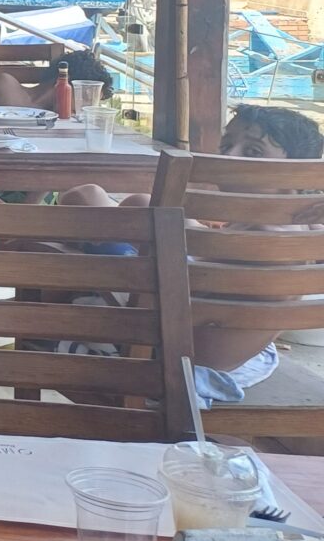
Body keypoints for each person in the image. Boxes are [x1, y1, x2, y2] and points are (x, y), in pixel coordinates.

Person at [56, 103, 324, 398]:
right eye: (226, 145)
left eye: (253, 151)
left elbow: (176, 290)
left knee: (86, 198)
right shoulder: (306, 230)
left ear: (296, 172)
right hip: (230, 352)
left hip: (171, 349)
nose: (229, 157)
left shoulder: (261, 239)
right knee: (137, 204)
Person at [0, 47, 115, 111]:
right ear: (64, 80)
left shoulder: (62, 120)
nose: (87, 108)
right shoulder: (5, 85)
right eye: (87, 97)